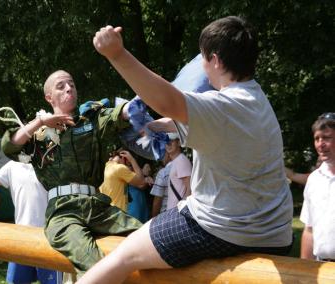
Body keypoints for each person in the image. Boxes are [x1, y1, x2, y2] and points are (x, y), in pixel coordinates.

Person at [79, 16, 293, 283]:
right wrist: (150, 126)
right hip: (275, 235)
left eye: (203, 58)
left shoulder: (223, 104)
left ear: (215, 60)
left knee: (123, 257)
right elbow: (187, 121)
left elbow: (168, 101)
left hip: (221, 228)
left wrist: (117, 54)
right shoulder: (256, 101)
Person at [0, 70, 142, 277]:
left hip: (98, 207)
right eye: (61, 86)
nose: (69, 88)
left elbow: (122, 113)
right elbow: (9, 146)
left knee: (150, 239)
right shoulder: (37, 135)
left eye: (72, 85)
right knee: (93, 262)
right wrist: (40, 122)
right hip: (63, 212)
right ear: (49, 97)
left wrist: (144, 99)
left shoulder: (91, 119)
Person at [300, 112, 335, 261]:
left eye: (327, 138)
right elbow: (309, 230)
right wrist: (305, 272)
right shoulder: (314, 179)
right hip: (322, 266)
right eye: (317, 139)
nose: (320, 144)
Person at [165, 132, 192, 210]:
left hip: (178, 211)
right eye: (166, 142)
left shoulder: (181, 160)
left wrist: (183, 209)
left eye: (171, 141)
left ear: (179, 143)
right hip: (173, 210)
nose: (168, 144)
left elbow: (190, 188)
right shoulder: (175, 161)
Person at [150, 152, 172, 217]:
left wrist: (153, 219)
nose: (161, 158)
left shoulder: (163, 172)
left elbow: (157, 201)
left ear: (168, 154)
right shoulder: (188, 168)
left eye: (163, 154)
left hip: (165, 215)